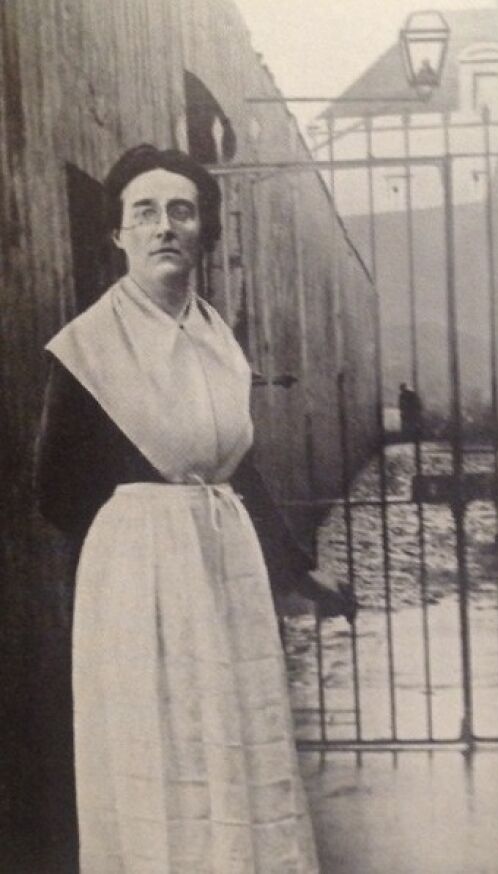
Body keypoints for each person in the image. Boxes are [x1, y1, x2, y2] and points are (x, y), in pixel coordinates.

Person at [35, 144, 355, 873]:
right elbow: (56, 490)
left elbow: (239, 474)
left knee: (233, 738)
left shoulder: (216, 339)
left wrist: (297, 571)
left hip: (224, 575)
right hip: (141, 586)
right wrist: (143, 543)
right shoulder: (89, 348)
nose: (164, 227)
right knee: (164, 746)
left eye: (181, 211)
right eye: (144, 212)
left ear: (204, 229)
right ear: (118, 233)